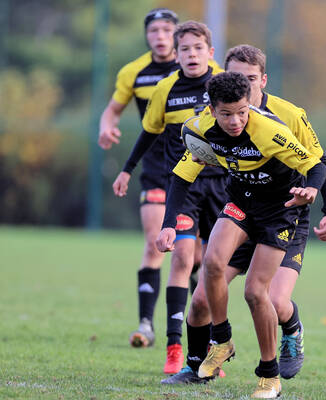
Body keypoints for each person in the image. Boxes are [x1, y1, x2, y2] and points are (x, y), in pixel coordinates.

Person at [160, 44, 326, 385]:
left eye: (250, 79)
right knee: (200, 297)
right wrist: (168, 223)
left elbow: (319, 164)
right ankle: (203, 359)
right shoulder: (208, 122)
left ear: (262, 81)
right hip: (243, 205)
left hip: (283, 211)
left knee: (268, 298)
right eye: (235, 78)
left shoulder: (280, 120)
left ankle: (288, 335)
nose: (243, 86)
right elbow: (183, 174)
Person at [111, 21, 224, 374]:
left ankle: (212, 349)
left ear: (211, 52)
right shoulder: (165, 89)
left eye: (198, 48)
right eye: (185, 49)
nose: (191, 55)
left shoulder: (223, 84)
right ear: (175, 55)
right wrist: (127, 169)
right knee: (181, 259)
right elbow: (148, 134)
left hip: (222, 187)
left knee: (214, 269)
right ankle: (175, 347)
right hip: (184, 187)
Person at [98, 8, 180, 349]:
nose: (160, 36)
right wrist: (106, 125)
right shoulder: (134, 72)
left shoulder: (200, 68)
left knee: (197, 257)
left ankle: (192, 331)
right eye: (154, 31)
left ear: (177, 34)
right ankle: (146, 324)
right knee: (154, 243)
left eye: (166, 30)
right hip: (155, 170)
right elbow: (113, 109)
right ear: (147, 35)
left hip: (198, 174)